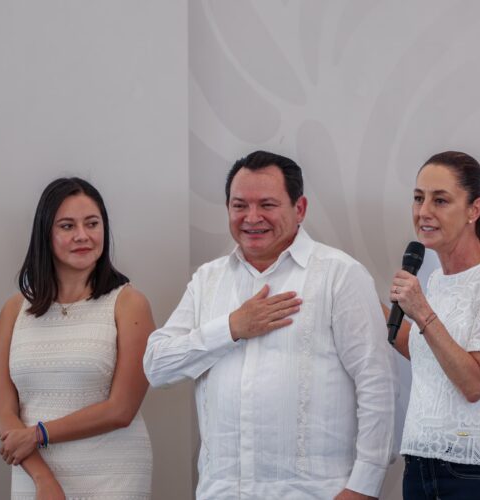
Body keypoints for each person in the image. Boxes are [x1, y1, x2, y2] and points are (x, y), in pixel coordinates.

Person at [144, 150, 395, 499]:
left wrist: (363, 487)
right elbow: (157, 367)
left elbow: (377, 383)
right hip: (222, 492)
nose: (252, 217)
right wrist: (232, 328)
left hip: (316, 493)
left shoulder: (339, 274)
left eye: (267, 205)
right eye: (239, 205)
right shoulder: (208, 279)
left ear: (299, 208)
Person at [0, 177, 154, 499]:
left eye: (92, 224)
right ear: (45, 234)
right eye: (67, 226)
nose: (82, 236)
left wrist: (39, 434)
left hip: (112, 476)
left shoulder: (129, 303)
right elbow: (2, 414)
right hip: (34, 474)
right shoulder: (13, 310)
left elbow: (121, 410)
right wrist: (42, 478)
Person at [386, 151, 480, 499]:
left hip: (476, 472)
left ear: (474, 209)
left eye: (440, 200)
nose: (424, 212)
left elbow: (474, 383)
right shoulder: (435, 280)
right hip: (420, 462)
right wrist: (366, 304)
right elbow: (429, 355)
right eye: (418, 198)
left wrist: (422, 312)